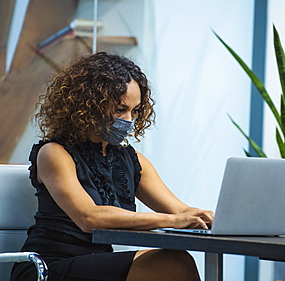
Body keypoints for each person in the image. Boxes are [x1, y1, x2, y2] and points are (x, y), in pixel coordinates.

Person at [10, 52, 214, 281]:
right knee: (172, 264)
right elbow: (89, 218)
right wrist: (173, 221)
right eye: (119, 109)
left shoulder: (132, 160)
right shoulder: (54, 153)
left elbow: (180, 211)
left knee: (177, 261)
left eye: (134, 111)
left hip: (95, 263)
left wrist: (210, 218)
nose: (128, 119)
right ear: (88, 106)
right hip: (47, 266)